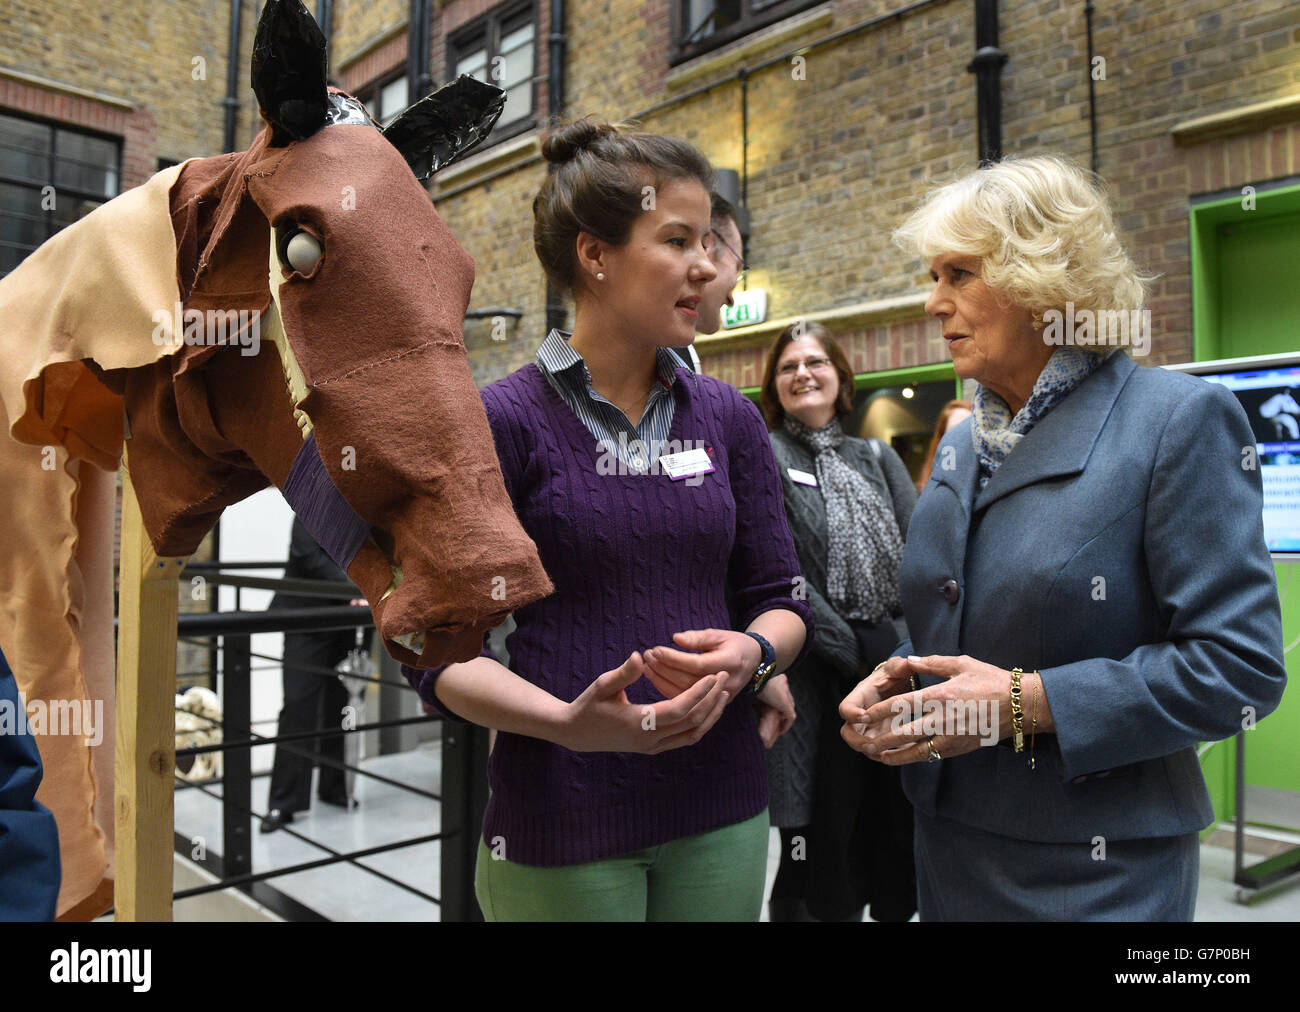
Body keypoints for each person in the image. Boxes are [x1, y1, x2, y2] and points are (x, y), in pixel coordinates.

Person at [840, 154, 1287, 920]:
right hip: (947, 848)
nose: (931, 301)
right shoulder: (961, 442)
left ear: (1042, 280)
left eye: (958, 274)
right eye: (933, 274)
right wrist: (898, 687)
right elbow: (955, 615)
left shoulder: (1175, 422)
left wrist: (1024, 704)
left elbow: (1239, 668)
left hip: (1096, 871)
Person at [402, 118, 812, 921]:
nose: (709, 266)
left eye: (710, 242)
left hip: (721, 805)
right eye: (678, 239)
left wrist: (756, 652)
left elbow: (781, 594)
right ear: (595, 255)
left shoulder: (728, 418)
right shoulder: (501, 424)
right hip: (562, 814)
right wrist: (564, 723)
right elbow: (435, 648)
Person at [760, 321, 918, 922]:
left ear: (840, 376)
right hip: (812, 674)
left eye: (816, 362)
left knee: (887, 821)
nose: (803, 373)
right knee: (812, 842)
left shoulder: (874, 456)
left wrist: (899, 654)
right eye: (788, 366)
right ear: (775, 385)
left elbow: (918, 555)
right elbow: (778, 569)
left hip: (888, 670)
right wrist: (849, 649)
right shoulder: (767, 453)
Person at [261, 517, 363, 833]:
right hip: (307, 615)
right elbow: (307, 553)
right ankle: (284, 802)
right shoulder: (312, 492)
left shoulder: (363, 497)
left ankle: (334, 788)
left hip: (347, 617)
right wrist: (356, 589)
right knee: (298, 704)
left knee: (339, 704)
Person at [667, 192, 747, 373]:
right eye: (738, 268)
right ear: (706, 246)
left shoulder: (680, 354)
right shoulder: (677, 356)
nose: (731, 300)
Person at [916, 398, 972, 491]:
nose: (963, 439)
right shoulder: (922, 491)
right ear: (941, 439)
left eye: (969, 432)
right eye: (955, 431)